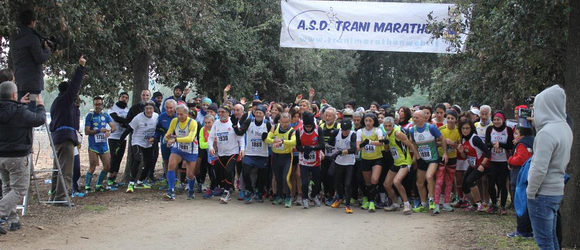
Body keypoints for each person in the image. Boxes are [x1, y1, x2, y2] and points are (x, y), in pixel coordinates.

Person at [527, 85, 572, 250]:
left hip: (542, 193)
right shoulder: (564, 128)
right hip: (556, 190)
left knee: (544, 242)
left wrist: (531, 192)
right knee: (552, 239)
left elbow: (539, 168)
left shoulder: (546, 133)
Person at [0, 81, 46, 234]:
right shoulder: (20, 111)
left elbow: (8, 112)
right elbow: (39, 120)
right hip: (18, 157)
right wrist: (40, 105)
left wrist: (18, 103)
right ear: (14, 94)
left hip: (1, 157)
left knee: (7, 187)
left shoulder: (13, 109)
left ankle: (13, 221)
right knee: (19, 189)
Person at [49, 56, 86, 206]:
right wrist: (81, 69)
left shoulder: (56, 103)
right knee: (66, 170)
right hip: (65, 139)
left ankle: (54, 196)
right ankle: (61, 198)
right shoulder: (65, 100)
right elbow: (74, 86)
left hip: (57, 138)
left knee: (57, 169)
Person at [409, 110, 448, 213]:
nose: (414, 119)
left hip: (433, 158)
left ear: (423, 118)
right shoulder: (412, 130)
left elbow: (442, 139)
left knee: (429, 176)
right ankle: (423, 204)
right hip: (422, 159)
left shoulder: (431, 128)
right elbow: (412, 143)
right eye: (413, 117)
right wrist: (416, 155)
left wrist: (444, 153)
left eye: (417, 117)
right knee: (419, 183)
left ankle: (431, 200)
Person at [9, 10, 51, 99]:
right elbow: (40, 58)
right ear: (32, 22)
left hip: (18, 80)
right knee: (31, 108)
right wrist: (47, 50)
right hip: (32, 83)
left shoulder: (13, 36)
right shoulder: (32, 38)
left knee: (21, 106)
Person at [234, 105, 271, 203]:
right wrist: (235, 127)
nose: (258, 114)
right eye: (257, 112)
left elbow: (272, 137)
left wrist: (266, 138)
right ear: (254, 113)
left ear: (264, 114)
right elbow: (240, 132)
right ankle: (250, 190)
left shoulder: (267, 123)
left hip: (262, 154)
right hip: (250, 153)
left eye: (260, 113)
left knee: (262, 176)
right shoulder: (249, 121)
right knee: (245, 172)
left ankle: (259, 193)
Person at [208, 105, 245, 204]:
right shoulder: (216, 123)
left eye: (223, 112)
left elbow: (240, 136)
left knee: (229, 171)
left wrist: (242, 149)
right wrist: (211, 147)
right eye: (219, 112)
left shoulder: (233, 122)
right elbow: (211, 137)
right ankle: (228, 188)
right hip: (221, 153)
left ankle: (226, 192)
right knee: (223, 173)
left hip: (233, 152)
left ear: (228, 113)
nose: (220, 114)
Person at [381, 116, 417, 215]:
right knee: (387, 184)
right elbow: (388, 150)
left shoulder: (398, 133)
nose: (387, 128)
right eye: (385, 126)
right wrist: (385, 144)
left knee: (396, 182)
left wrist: (415, 158)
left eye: (389, 126)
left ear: (393, 126)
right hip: (396, 162)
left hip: (405, 162)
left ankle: (406, 204)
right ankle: (395, 203)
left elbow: (410, 144)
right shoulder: (387, 135)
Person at [164, 104, 199, 200]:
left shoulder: (193, 123)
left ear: (187, 114)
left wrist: (175, 140)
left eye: (181, 115)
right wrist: (167, 140)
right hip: (178, 148)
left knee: (190, 174)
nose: (179, 117)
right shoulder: (174, 121)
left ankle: (191, 190)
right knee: (171, 165)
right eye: (177, 114)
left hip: (191, 150)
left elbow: (190, 138)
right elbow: (167, 134)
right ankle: (171, 190)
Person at [122, 101, 159, 193]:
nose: (148, 111)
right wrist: (120, 140)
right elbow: (129, 129)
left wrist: (155, 138)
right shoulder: (138, 118)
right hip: (137, 141)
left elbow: (160, 129)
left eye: (150, 109)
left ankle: (140, 181)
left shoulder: (156, 117)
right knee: (137, 159)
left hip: (149, 142)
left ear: (153, 110)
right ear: (144, 110)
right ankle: (131, 183)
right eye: (146, 109)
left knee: (149, 162)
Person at [506, 126, 534, 239]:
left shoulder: (522, 144)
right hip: (529, 176)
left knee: (520, 203)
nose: (514, 136)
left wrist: (510, 159)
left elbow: (521, 159)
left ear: (522, 135)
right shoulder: (533, 140)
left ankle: (522, 230)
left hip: (520, 176)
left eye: (516, 133)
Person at [84, 96, 116, 193]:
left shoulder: (106, 115)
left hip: (104, 145)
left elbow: (114, 127)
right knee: (93, 166)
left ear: (102, 105)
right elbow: (86, 131)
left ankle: (98, 185)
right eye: (96, 104)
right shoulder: (90, 116)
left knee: (107, 166)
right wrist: (98, 130)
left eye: (99, 104)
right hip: (93, 145)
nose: (98, 106)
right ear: (94, 105)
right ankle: (87, 187)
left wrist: (109, 132)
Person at [458, 120, 490, 212]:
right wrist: (461, 152)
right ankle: (474, 204)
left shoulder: (475, 139)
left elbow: (487, 152)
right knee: (464, 186)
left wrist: (482, 165)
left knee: (470, 181)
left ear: (471, 129)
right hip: (472, 165)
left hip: (481, 165)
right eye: (463, 128)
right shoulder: (463, 139)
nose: (465, 130)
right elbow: (465, 156)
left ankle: (481, 204)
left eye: (467, 128)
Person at [485, 111, 513, 215]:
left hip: (504, 161)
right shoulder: (490, 129)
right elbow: (486, 144)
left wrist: (500, 144)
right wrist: (493, 145)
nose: (496, 122)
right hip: (492, 160)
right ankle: (494, 204)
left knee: (502, 184)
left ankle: (503, 206)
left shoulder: (508, 130)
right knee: (491, 183)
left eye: (498, 119)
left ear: (503, 120)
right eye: (495, 119)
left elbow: (510, 145)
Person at [265, 112, 297, 206]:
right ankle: (279, 196)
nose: (284, 124)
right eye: (282, 122)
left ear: (290, 121)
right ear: (280, 121)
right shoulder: (274, 127)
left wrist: (282, 142)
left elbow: (294, 142)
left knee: (285, 178)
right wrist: (273, 141)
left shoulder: (292, 131)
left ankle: (288, 197)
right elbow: (267, 139)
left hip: (286, 157)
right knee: (278, 178)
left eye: (287, 122)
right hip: (275, 156)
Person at [432, 110, 460, 214]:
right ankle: (436, 204)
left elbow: (460, 146)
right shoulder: (441, 129)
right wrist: (443, 143)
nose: (450, 120)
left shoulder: (458, 131)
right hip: (441, 157)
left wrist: (453, 144)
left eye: (452, 118)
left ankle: (446, 203)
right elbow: (435, 142)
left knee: (449, 182)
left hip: (453, 158)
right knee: (439, 181)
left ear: (456, 120)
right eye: (448, 118)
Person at [296, 111, 325, 209]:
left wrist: (311, 148)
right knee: (304, 182)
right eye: (306, 126)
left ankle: (313, 195)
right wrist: (304, 149)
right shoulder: (299, 131)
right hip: (303, 161)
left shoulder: (318, 129)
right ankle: (305, 198)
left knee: (317, 181)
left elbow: (322, 145)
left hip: (316, 161)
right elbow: (298, 146)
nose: (308, 128)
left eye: (310, 126)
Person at [356, 112, 384, 212]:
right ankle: (370, 200)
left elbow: (381, 143)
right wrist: (361, 145)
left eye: (370, 121)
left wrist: (370, 142)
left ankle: (372, 201)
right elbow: (358, 148)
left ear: (374, 122)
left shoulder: (377, 130)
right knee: (368, 183)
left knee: (374, 180)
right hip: (365, 159)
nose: (368, 123)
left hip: (377, 158)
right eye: (366, 121)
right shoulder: (360, 131)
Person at [330, 118, 357, 213]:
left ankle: (348, 204)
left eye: (347, 130)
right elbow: (330, 142)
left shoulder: (353, 135)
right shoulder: (336, 132)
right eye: (343, 130)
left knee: (347, 184)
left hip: (349, 163)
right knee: (337, 182)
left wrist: (339, 152)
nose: (345, 132)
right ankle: (340, 198)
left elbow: (353, 149)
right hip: (338, 162)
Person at [106, 92, 130, 190]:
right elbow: (116, 118)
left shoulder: (127, 110)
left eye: (126, 98)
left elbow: (128, 121)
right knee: (114, 157)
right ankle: (109, 180)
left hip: (123, 138)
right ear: (119, 98)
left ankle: (114, 179)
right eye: (123, 97)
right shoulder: (113, 108)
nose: (124, 99)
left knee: (119, 158)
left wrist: (124, 123)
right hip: (113, 137)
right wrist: (125, 122)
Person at [155, 99, 177, 184]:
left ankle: (176, 180)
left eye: (171, 108)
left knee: (175, 160)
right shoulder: (161, 116)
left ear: (174, 108)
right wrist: (154, 137)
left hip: (176, 142)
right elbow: (157, 129)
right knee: (166, 160)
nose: (169, 110)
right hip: (164, 142)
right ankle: (168, 179)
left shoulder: (178, 116)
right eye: (167, 108)